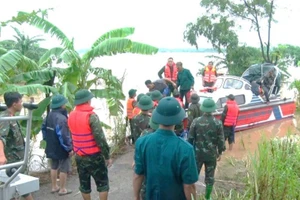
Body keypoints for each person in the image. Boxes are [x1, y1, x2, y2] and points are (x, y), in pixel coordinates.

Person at [133, 97, 198, 200]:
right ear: (178, 119)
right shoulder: (186, 149)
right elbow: (188, 185)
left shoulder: (142, 142)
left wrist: (136, 197)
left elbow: (138, 175)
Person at [68, 89, 112, 200]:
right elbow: (100, 139)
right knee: (102, 184)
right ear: (87, 101)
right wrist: (107, 156)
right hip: (94, 157)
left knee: (84, 185)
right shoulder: (91, 116)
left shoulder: (71, 116)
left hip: (79, 156)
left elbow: (72, 134)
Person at [188, 98, 225, 200]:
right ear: (213, 109)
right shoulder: (218, 123)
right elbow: (221, 140)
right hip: (211, 154)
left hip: (197, 154)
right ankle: (207, 197)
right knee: (210, 177)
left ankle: (192, 195)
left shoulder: (196, 121)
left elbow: (190, 139)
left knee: (193, 176)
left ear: (203, 109)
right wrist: (220, 152)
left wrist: (189, 152)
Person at [0, 92, 34, 200]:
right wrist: (1, 155)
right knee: (13, 191)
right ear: (14, 104)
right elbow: (1, 137)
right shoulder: (5, 118)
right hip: (11, 162)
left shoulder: (12, 116)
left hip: (17, 161)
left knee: (23, 189)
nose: (22, 104)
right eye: (20, 101)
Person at [42, 94, 73, 195]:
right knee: (64, 167)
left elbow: (43, 128)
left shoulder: (49, 115)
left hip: (51, 144)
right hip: (61, 147)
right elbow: (63, 136)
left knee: (54, 166)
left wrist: (46, 139)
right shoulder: (61, 118)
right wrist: (69, 148)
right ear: (61, 105)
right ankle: (62, 189)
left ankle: (54, 186)